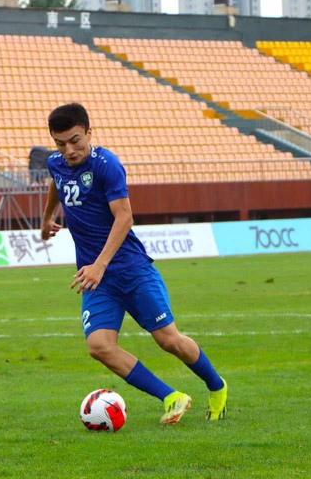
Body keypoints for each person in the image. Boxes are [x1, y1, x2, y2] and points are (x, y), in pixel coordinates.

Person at [40, 103, 227, 424]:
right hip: (96, 278)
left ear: (88, 131)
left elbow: (124, 217)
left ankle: (217, 386)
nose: (69, 150)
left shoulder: (107, 165)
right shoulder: (56, 163)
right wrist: (47, 218)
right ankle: (172, 396)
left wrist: (99, 264)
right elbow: (56, 182)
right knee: (99, 346)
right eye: (60, 143)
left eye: (74, 141)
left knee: (169, 340)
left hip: (130, 270)